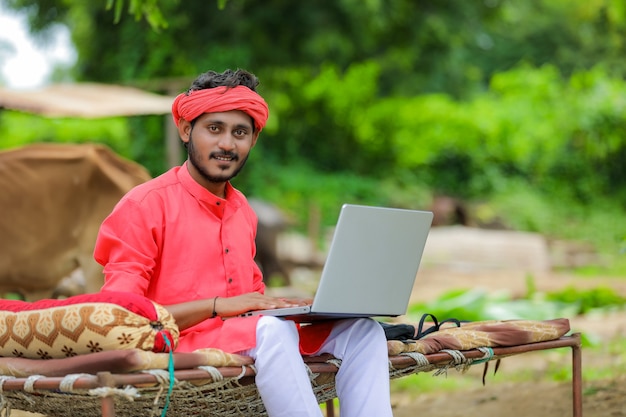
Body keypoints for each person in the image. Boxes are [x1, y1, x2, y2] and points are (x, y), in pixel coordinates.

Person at [94, 68, 393, 417]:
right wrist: (217, 305)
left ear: (253, 140)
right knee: (270, 331)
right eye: (214, 129)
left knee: (363, 331)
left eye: (240, 132)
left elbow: (249, 303)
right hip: (178, 345)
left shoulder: (242, 211)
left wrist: (290, 306)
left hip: (251, 336)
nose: (226, 144)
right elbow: (121, 318)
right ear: (186, 129)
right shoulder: (143, 206)